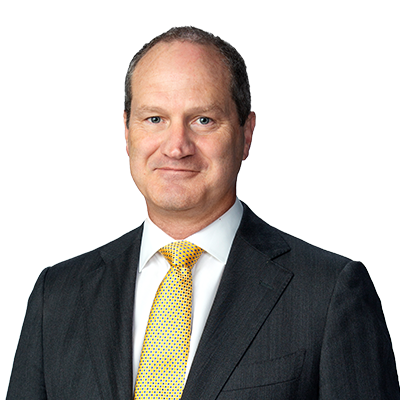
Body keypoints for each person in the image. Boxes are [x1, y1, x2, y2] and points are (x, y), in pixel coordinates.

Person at [7, 26, 400, 400]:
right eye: (155, 119)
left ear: (246, 134)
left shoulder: (328, 292)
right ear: (127, 133)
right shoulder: (57, 295)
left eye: (203, 120)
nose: (177, 146)